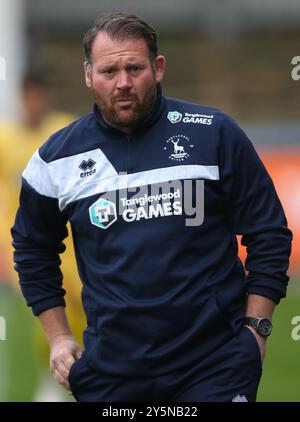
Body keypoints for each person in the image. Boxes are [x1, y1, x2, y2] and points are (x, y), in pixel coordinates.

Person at [11, 12, 292, 402]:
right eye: (109, 71)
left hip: (215, 369)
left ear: (157, 68)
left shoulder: (213, 133)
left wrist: (257, 328)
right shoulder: (56, 159)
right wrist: (58, 338)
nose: (123, 83)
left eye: (134, 68)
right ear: (88, 75)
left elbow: (269, 233)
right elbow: (32, 248)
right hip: (112, 376)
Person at [0, 71, 85, 401]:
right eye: (29, 96)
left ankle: (93, 367)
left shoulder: (63, 130)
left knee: (85, 305)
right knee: (46, 307)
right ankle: (52, 378)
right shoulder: (6, 138)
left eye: (39, 95)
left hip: (69, 241)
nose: (34, 103)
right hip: (23, 244)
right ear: (22, 98)